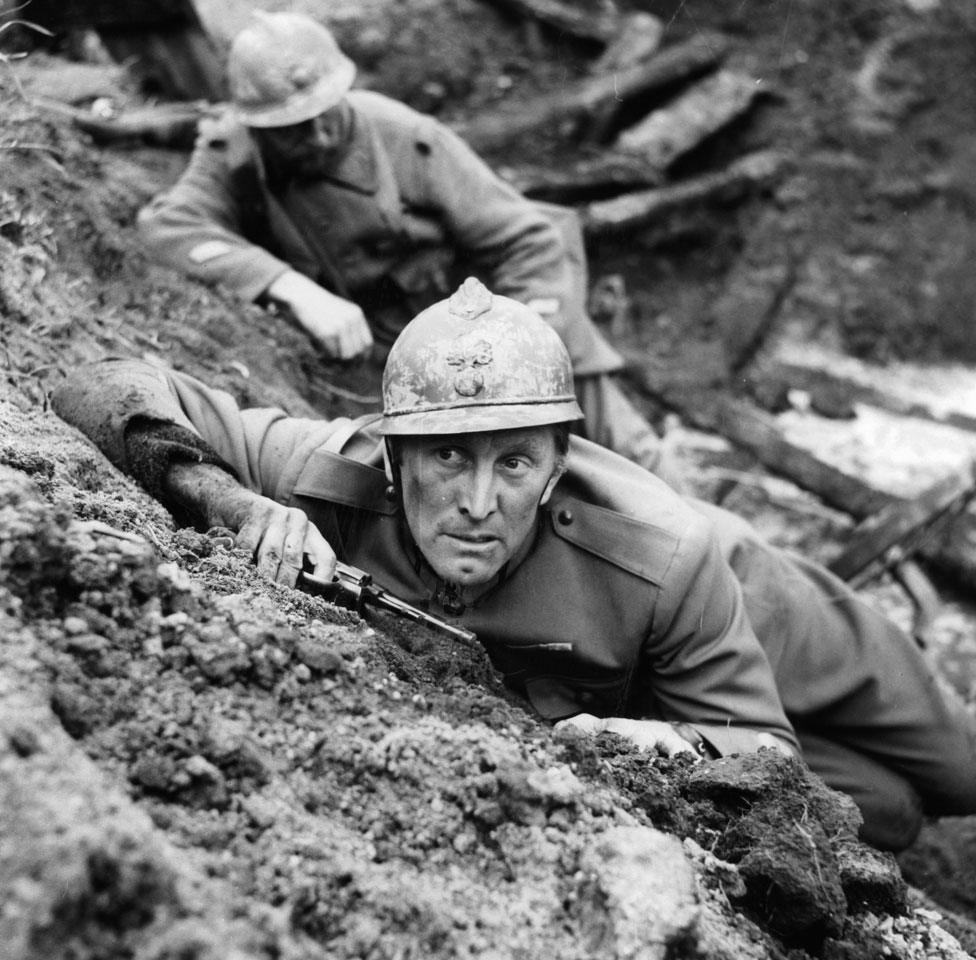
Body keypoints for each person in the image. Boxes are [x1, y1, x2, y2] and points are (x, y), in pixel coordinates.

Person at [52, 278, 976, 852]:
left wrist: (667, 744)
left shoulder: (667, 552)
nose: (480, 500)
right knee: (884, 818)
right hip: (643, 678)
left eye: (516, 462)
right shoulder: (326, 472)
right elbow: (96, 384)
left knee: (961, 772)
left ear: (558, 466)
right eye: (449, 457)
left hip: (758, 612)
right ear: (394, 453)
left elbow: (760, 743)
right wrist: (233, 500)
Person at [137, 9, 676, 480]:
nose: (320, 137)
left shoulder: (406, 137)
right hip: (402, 361)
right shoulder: (235, 154)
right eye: (294, 128)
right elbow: (168, 228)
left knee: (631, 463)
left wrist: (515, 352)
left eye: (329, 114)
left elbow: (529, 240)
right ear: (255, 124)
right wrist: (290, 287)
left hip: (505, 323)